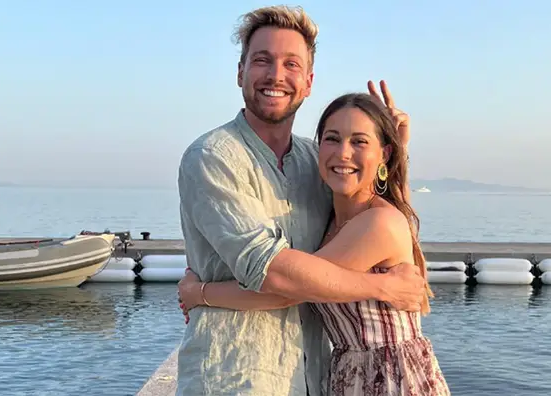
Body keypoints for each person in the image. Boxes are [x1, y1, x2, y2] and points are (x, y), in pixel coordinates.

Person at [175, 5, 427, 396]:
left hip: (316, 377)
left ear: (308, 82)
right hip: (235, 377)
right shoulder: (213, 157)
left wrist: (391, 149)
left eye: (291, 64)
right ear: (240, 72)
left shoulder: (318, 161)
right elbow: (275, 273)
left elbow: (383, 221)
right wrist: (379, 287)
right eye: (262, 61)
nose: (276, 75)